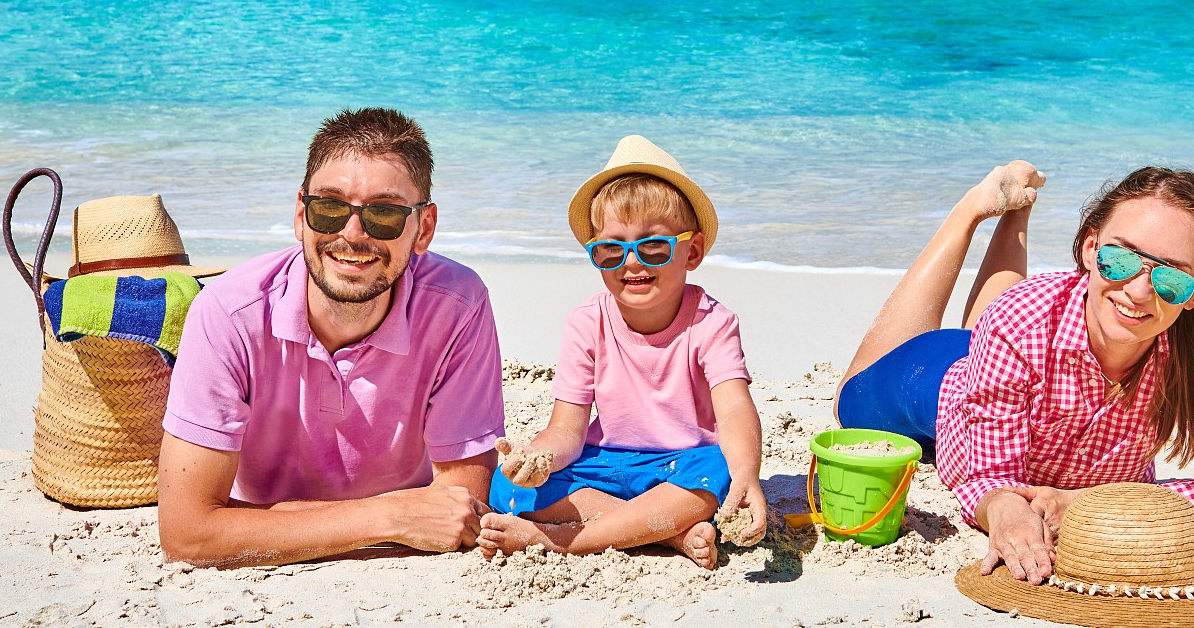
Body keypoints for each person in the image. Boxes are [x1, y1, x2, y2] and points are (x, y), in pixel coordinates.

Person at [835, 160, 1194, 585]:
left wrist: (1082, 503)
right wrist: (1004, 507)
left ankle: (1017, 211)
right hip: (939, 386)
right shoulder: (1016, 323)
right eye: (1120, 259)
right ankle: (970, 212)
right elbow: (990, 478)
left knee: (1005, 321)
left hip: (1017, 350)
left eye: (1171, 280)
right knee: (850, 402)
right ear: (1090, 248)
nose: (1138, 291)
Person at [156, 108, 504, 567]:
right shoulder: (228, 312)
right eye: (331, 207)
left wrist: (257, 523)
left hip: (264, 521)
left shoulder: (457, 306)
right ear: (302, 215)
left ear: (424, 229)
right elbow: (188, 534)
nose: (352, 234)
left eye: (384, 213)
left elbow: (460, 504)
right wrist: (389, 515)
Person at [476, 136, 767, 571]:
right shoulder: (585, 322)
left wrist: (747, 473)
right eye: (612, 250)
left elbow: (735, 413)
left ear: (693, 251)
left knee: (718, 471)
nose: (632, 263)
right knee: (506, 487)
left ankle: (562, 542)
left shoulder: (712, 322)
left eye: (653, 247)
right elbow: (566, 431)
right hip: (607, 465)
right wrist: (539, 461)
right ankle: (667, 535)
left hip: (681, 465)